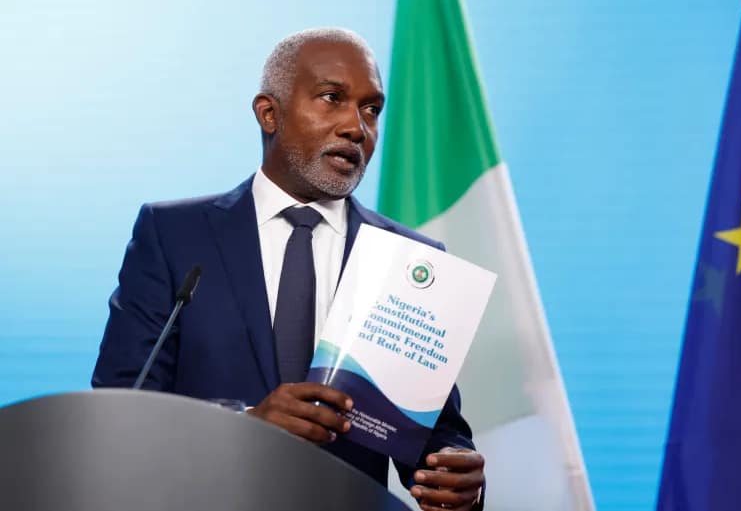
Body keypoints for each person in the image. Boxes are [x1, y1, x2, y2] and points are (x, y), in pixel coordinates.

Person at [93, 28, 485, 510]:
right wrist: (244, 425)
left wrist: (457, 475)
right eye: (332, 98)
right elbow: (120, 410)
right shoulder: (173, 235)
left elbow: (432, 438)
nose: (356, 128)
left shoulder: (408, 259)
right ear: (269, 113)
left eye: (371, 109)